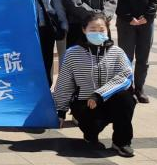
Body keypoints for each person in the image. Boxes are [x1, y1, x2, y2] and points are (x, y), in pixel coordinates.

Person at [53, 13, 137, 157]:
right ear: (84, 30)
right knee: (92, 125)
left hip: (110, 100)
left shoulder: (117, 52)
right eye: (92, 30)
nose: (97, 33)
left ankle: (121, 142)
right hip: (85, 103)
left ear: (107, 30)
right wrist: (60, 111)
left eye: (101, 30)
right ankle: (90, 135)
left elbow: (126, 76)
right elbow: (64, 83)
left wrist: (99, 94)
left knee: (126, 97)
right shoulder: (72, 54)